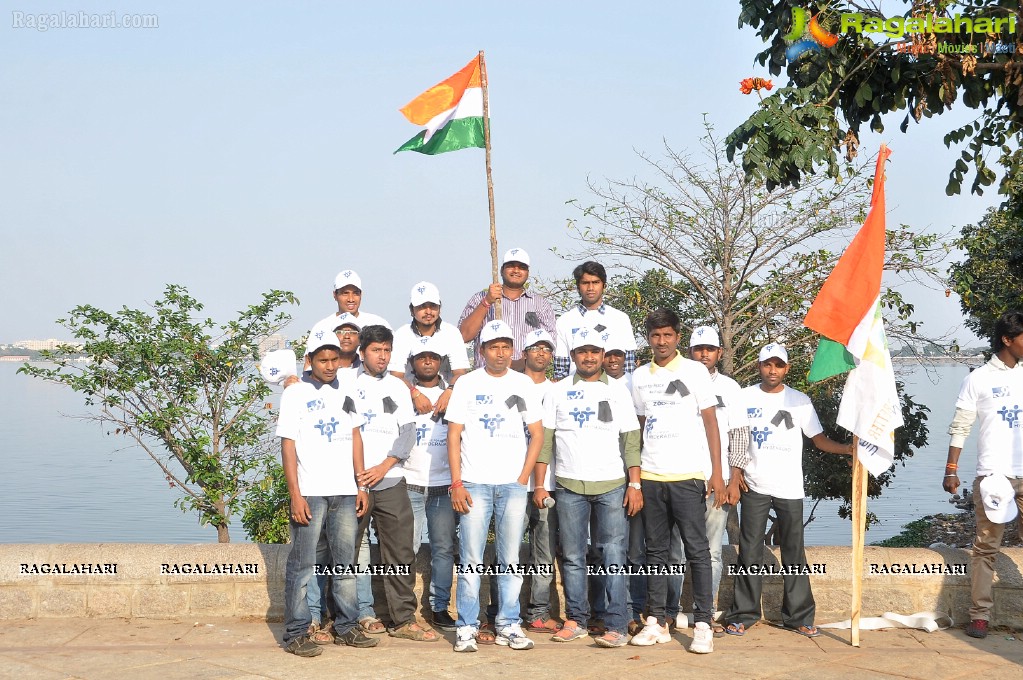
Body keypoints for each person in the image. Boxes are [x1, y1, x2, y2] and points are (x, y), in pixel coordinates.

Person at [724, 343, 852, 639]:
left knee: (794, 553)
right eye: (767, 364)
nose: (772, 370)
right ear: (759, 367)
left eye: (778, 365)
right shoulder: (744, 397)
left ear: (787, 368)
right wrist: (736, 472)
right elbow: (736, 439)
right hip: (754, 485)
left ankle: (799, 617)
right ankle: (743, 614)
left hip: (790, 487)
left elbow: (819, 440)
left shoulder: (800, 401)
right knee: (750, 552)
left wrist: (848, 449)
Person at [277, 318, 378, 656]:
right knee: (303, 566)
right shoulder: (295, 394)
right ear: (309, 361)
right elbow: (288, 446)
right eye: (323, 360)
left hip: (346, 492)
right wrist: (295, 494)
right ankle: (296, 633)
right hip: (310, 492)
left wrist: (361, 485)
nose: (331, 366)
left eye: (334, 359)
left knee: (345, 565)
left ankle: (347, 627)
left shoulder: (347, 390)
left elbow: (355, 436)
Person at [537, 327, 642, 648]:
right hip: (568, 486)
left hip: (612, 485)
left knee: (612, 554)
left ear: (603, 355)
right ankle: (577, 620)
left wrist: (635, 483)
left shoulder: (619, 391)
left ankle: (616, 625)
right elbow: (546, 441)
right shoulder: (557, 391)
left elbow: (631, 440)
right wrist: (541, 485)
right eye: (582, 351)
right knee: (571, 555)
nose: (589, 357)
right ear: (572, 355)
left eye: (594, 351)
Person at [446, 320, 544, 652]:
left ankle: (508, 624)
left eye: (505, 347)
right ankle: (467, 627)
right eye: (493, 347)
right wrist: (457, 483)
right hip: (473, 482)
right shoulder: (467, 383)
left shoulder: (523, 383)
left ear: (513, 350)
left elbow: (538, 434)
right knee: (471, 557)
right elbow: (454, 434)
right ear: (482, 350)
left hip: (512, 485)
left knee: (511, 559)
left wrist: (522, 478)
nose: (500, 353)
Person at [629, 308, 722, 654]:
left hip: (688, 477)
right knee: (655, 552)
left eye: (667, 335)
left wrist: (716, 472)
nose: (662, 341)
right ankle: (657, 622)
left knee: (696, 551)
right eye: (655, 336)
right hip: (652, 476)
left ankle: (703, 624)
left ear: (677, 337)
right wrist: (634, 479)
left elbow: (711, 423)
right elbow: (637, 428)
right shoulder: (638, 377)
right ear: (648, 339)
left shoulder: (696, 372)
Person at [351, 325, 439, 642]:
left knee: (400, 553)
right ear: (363, 352)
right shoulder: (347, 383)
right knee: (350, 552)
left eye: (387, 350)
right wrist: (362, 474)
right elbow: (347, 433)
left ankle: (403, 619)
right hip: (354, 483)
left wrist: (385, 465)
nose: (383, 356)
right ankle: (357, 615)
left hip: (391, 480)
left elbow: (408, 433)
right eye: (376, 350)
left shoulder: (400, 388)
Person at [944, 311, 1023, 639]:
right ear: (1007, 339)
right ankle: (980, 615)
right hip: (993, 475)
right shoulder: (977, 379)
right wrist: (951, 469)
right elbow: (962, 424)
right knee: (986, 548)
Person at [687, 325, 749, 628]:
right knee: (675, 550)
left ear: (718, 353)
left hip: (718, 482)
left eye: (709, 349)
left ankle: (706, 612)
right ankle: (670, 611)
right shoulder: (679, 380)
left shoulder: (730, 387)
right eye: (698, 349)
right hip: (682, 478)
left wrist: (734, 478)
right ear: (689, 352)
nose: (703, 354)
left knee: (712, 551)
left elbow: (739, 435)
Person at [402, 336, 460, 632]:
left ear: (441, 362)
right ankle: (404, 611)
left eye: (433, 357)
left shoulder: (454, 395)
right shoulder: (404, 395)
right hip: (410, 484)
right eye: (421, 356)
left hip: (443, 486)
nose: (427, 361)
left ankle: (439, 608)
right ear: (412, 362)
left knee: (443, 550)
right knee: (406, 549)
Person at [520, 328, 561, 634]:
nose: (541, 353)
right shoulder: (512, 385)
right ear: (524, 353)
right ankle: (497, 611)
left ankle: (538, 612)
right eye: (535, 348)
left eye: (546, 349)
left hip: (547, 482)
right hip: (512, 480)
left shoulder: (557, 390)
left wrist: (542, 481)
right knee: (506, 551)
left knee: (544, 552)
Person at [457, 248, 556, 371]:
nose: (516, 270)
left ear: (528, 272)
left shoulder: (540, 304)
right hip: (487, 378)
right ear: (501, 270)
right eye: (510, 266)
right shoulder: (480, 299)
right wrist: (487, 302)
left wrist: (523, 362)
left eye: (521, 267)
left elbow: (550, 343)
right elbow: (462, 336)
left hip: (526, 378)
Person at [389, 281, 469, 416]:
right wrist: (414, 393)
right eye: (421, 306)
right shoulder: (402, 334)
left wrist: (449, 391)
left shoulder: (451, 333)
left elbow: (460, 373)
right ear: (411, 310)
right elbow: (396, 376)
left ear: (439, 307)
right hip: (409, 399)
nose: (428, 312)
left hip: (446, 399)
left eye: (433, 306)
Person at [553, 261, 637, 381]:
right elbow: (561, 368)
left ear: (604, 285)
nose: (591, 288)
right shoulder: (565, 321)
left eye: (596, 282)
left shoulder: (620, 318)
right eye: (585, 283)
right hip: (576, 389)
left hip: (613, 389)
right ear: (578, 286)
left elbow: (629, 363)